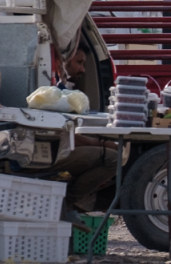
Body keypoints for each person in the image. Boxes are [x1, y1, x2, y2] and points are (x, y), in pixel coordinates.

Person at [50, 42, 119, 212]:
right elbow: (64, 136)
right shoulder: (52, 93)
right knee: (113, 159)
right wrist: (102, 144)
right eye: (79, 63)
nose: (83, 69)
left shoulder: (61, 90)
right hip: (52, 152)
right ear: (63, 62)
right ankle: (66, 205)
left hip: (58, 149)